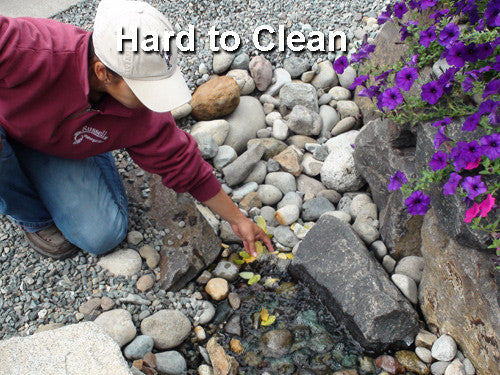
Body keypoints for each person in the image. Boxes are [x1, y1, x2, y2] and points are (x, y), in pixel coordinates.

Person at [0, 0, 273, 260]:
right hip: (8, 123)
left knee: (103, 235)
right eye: (144, 89)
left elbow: (181, 162)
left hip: (61, 141)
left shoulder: (140, 111)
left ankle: (85, 144)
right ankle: (33, 216)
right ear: (104, 73)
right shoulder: (32, 48)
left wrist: (238, 220)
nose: (152, 99)